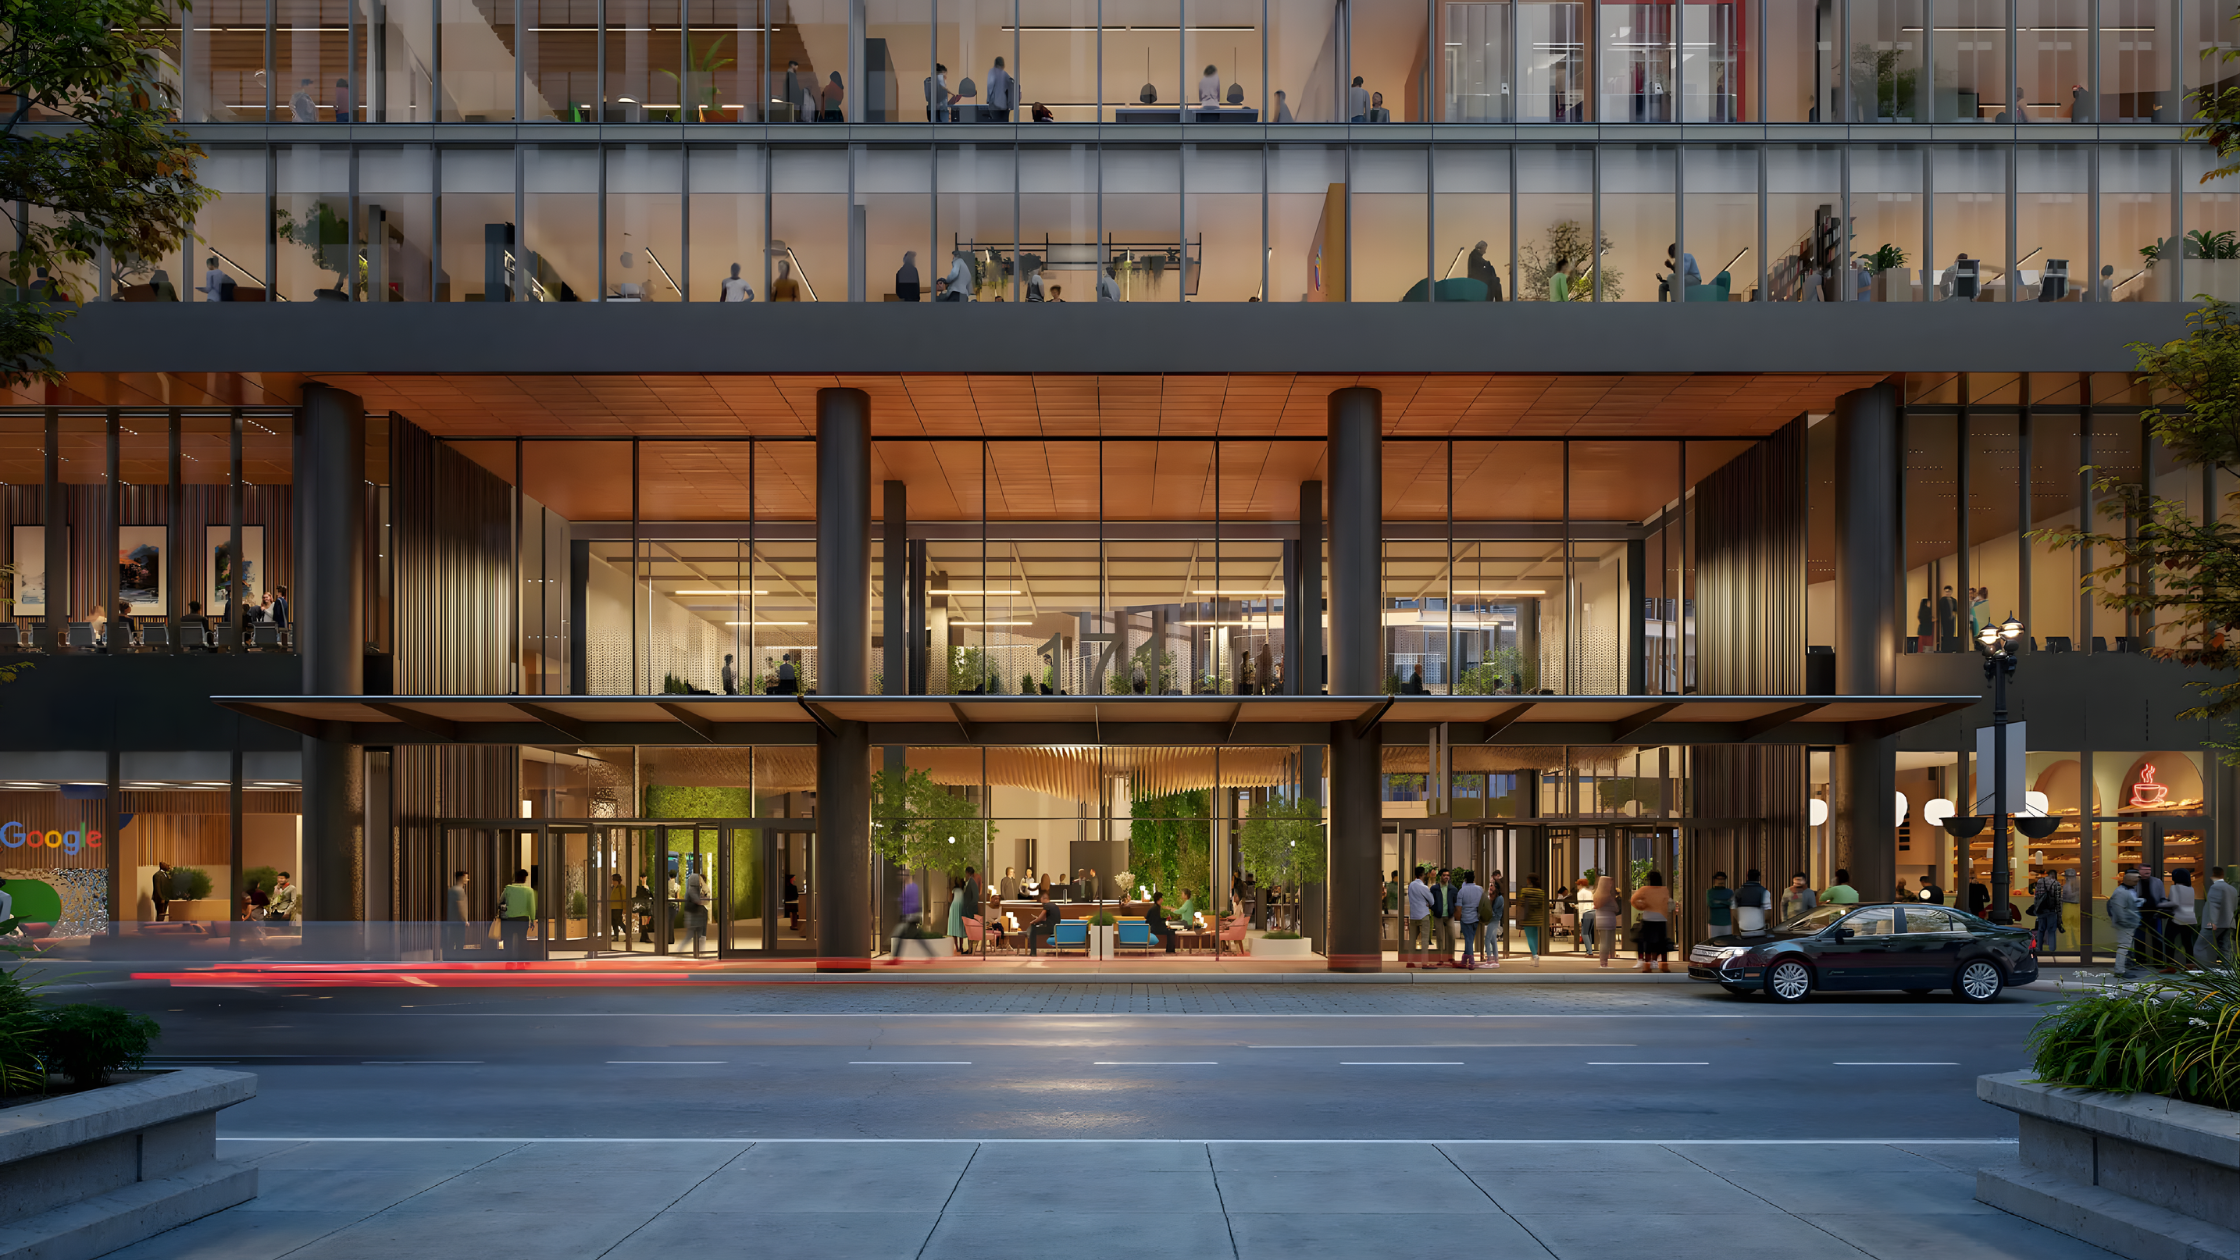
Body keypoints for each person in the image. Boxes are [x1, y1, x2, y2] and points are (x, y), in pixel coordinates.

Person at [1631, 870, 1673, 971]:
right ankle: (1664, 965)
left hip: (1648, 918)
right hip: (1661, 918)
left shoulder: (1644, 889)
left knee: (1648, 942)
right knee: (1662, 942)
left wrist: (1642, 906)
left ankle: (1647, 965)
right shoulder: (1664, 889)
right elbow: (1667, 902)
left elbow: (1633, 899)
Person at [2108, 868, 2144, 979]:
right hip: (2125, 924)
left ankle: (2123, 967)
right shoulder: (2121, 892)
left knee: (2126, 946)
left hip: (2130, 923)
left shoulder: (2128, 890)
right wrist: (2125, 922)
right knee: (2123, 947)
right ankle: (2119, 970)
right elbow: (2119, 909)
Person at [888, 874, 932, 962]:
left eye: (903, 875)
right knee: (917, 938)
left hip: (910, 917)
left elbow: (912, 902)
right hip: (909, 917)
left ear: (908, 877)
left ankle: (896, 958)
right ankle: (931, 955)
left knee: (900, 937)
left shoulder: (912, 887)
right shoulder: (907, 887)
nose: (901, 877)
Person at [2197, 866, 2236, 967]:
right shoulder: (2232, 889)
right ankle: (2230, 973)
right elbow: (2234, 906)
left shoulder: (2215, 887)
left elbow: (2214, 905)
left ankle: (2204, 970)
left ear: (2213, 875)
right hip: (2229, 923)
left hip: (2215, 924)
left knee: (2200, 947)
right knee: (2226, 949)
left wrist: (2211, 921)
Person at [498, 868, 535, 960]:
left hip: (509, 918)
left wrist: (502, 914)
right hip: (523, 918)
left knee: (508, 939)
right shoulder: (529, 891)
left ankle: (508, 958)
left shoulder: (508, 889)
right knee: (522, 939)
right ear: (524, 879)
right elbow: (531, 906)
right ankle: (523, 958)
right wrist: (533, 919)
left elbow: (501, 901)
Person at [1454, 870, 1486, 969]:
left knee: (1468, 939)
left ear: (1465, 879)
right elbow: (1484, 903)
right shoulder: (1480, 889)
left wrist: (1458, 918)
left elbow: (1459, 907)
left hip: (1465, 918)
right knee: (1470, 939)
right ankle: (1464, 960)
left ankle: (1471, 961)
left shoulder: (1462, 891)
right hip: (1476, 918)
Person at [2028, 869, 2063, 955]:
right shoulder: (2057, 884)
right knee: (2051, 930)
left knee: (2040, 930)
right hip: (2051, 910)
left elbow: (2036, 897)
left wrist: (2036, 909)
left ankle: (2039, 949)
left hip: (2041, 911)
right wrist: (2059, 914)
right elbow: (2058, 901)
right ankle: (2052, 950)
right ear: (2054, 876)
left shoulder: (2040, 882)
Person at [2169, 868, 2198, 967]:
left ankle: (2170, 963)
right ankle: (2190, 964)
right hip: (2190, 918)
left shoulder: (2175, 887)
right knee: (2187, 942)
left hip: (2177, 918)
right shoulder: (2191, 889)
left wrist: (2160, 904)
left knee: (2169, 940)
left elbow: (2174, 903)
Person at [1516, 873, 1547, 965]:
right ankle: (1535, 955)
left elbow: (1521, 903)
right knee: (1535, 936)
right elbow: (1542, 905)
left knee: (1529, 937)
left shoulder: (1525, 891)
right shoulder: (1540, 892)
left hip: (1527, 917)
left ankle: (1535, 956)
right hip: (1537, 918)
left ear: (1529, 880)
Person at [1404, 865, 1432, 964]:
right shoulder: (1423, 887)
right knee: (1424, 940)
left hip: (1413, 915)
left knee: (1412, 940)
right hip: (1423, 914)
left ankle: (1410, 961)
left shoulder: (1411, 885)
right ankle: (1424, 962)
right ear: (1423, 875)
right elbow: (1432, 901)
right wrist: (1427, 903)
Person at [1428, 868, 1457, 965]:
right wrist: (1435, 909)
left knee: (1452, 937)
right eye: (1444, 875)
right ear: (1440, 876)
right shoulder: (1434, 888)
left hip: (1449, 916)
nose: (1446, 877)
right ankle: (1440, 958)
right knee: (1440, 937)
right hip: (1438, 915)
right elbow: (1430, 901)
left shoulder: (1453, 889)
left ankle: (1451, 956)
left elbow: (1455, 902)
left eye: (1448, 875)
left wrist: (1453, 911)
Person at [1734, 869, 1773, 935]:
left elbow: (1733, 911)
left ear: (1747, 877)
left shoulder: (1738, 892)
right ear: (1758, 878)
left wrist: (1739, 922)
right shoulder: (1764, 892)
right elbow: (1767, 914)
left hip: (1742, 927)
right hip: (1759, 927)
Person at [1592, 874, 1619, 968]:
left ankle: (1603, 963)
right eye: (1610, 883)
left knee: (1603, 942)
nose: (1611, 885)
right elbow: (1616, 908)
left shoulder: (1596, 894)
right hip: (1608, 920)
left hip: (1600, 919)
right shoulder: (1608, 896)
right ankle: (1604, 963)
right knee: (1605, 943)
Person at [683, 864, 710, 951]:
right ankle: (697, 949)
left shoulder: (704, 888)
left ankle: (700, 950)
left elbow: (707, 897)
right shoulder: (693, 889)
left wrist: (702, 883)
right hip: (696, 911)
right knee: (694, 932)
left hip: (703, 910)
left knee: (702, 932)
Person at [986, 56, 1016, 120]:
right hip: (1004, 105)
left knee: (995, 124)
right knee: (1003, 125)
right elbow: (1011, 85)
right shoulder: (1005, 74)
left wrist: (988, 99)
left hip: (994, 104)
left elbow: (990, 86)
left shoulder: (992, 72)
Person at [1705, 870, 1733, 939]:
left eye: (1723, 879)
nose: (1721, 881)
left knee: (1728, 943)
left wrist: (1717, 901)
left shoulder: (1729, 892)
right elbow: (1711, 904)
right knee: (1713, 943)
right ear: (1715, 880)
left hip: (1726, 922)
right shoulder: (1710, 892)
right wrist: (1725, 902)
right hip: (1714, 922)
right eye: (1719, 879)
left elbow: (1731, 903)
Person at [1574, 877, 1597, 953]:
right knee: (1589, 932)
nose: (1577, 886)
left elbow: (1581, 905)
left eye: (1577, 885)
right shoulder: (1589, 892)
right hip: (1592, 911)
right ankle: (1589, 949)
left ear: (1580, 884)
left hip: (1585, 913)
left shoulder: (1580, 893)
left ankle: (1589, 951)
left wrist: (1579, 918)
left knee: (1584, 933)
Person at [948, 876, 969, 954]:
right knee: (954, 927)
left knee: (960, 927)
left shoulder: (965, 889)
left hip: (961, 908)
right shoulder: (954, 889)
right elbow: (950, 899)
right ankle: (957, 947)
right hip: (955, 907)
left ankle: (961, 946)